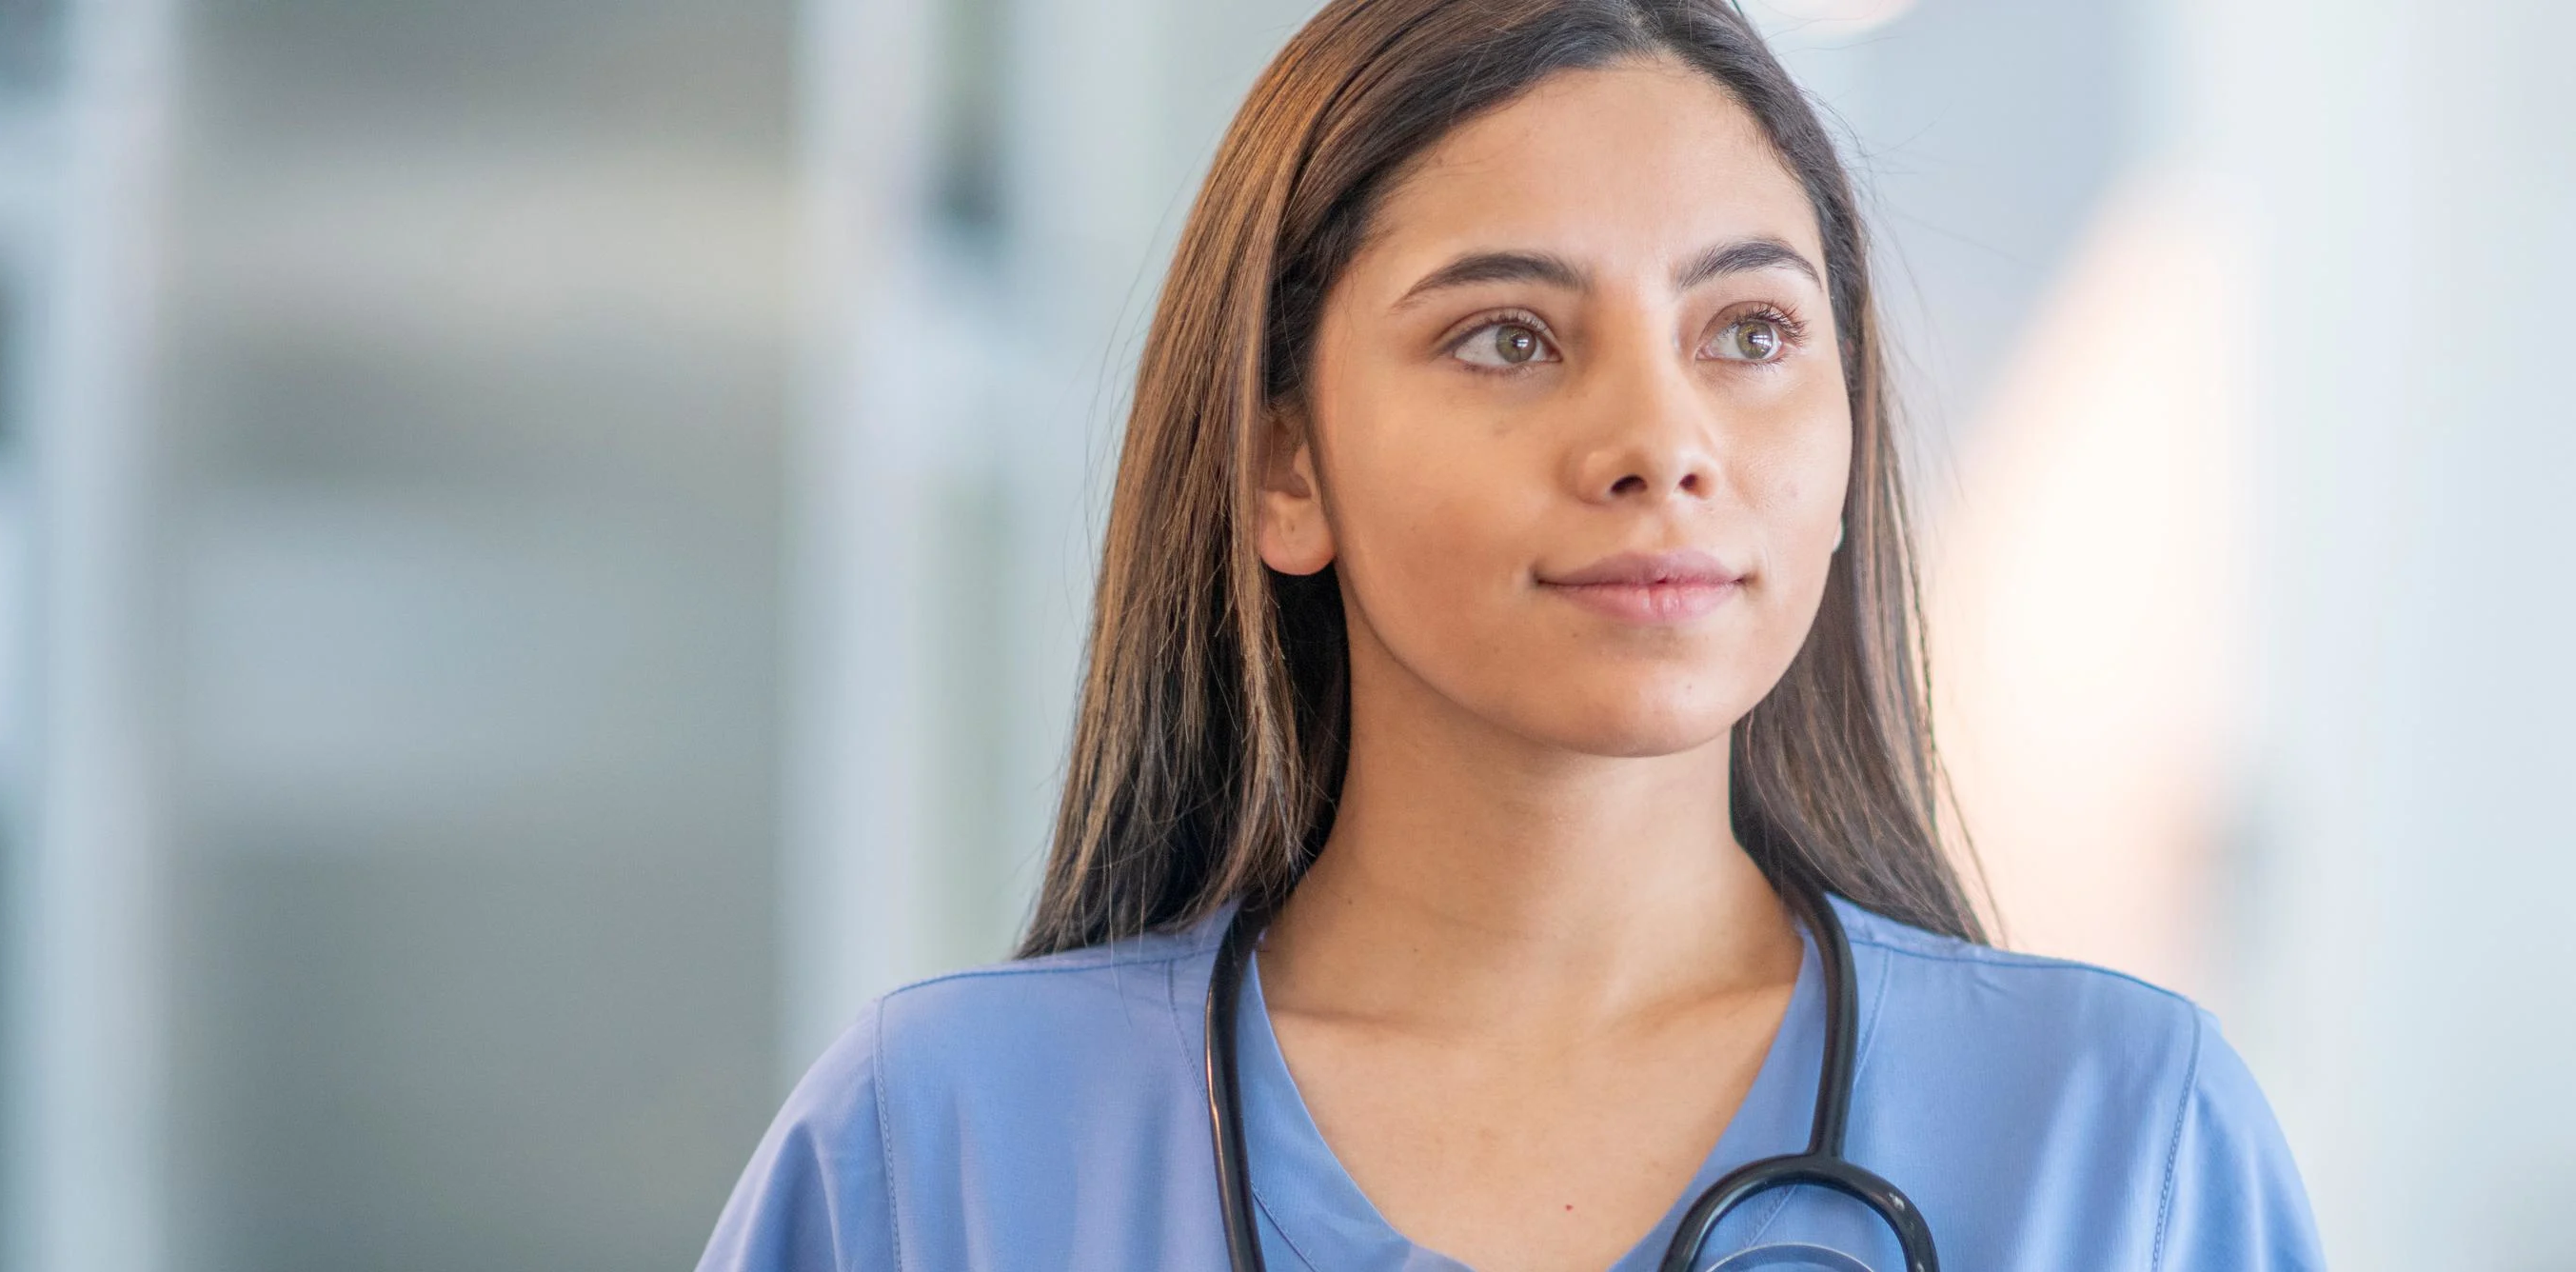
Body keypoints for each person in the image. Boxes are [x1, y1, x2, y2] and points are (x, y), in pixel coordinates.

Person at [701, 0, 2323, 1267]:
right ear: (1283, 463)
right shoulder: (940, 1147)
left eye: (1749, 331)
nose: (1661, 440)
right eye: (1509, 337)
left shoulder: (2120, 1141)